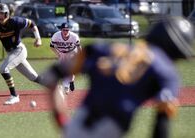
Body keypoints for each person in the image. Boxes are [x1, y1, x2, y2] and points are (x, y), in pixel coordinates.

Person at [40, 16, 195, 138]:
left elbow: (51, 75)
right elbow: (161, 124)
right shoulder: (166, 72)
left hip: (76, 127)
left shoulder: (105, 48)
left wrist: (62, 121)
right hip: (111, 129)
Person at [0, 3, 42, 105]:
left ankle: (14, 96)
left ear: (7, 14)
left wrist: (38, 38)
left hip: (19, 50)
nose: (0, 16)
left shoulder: (15, 21)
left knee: (3, 69)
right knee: (33, 77)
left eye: (2, 13)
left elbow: (32, 24)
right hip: (11, 53)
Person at [50, 22, 82, 94]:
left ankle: (67, 85)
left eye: (67, 30)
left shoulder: (74, 37)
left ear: (69, 30)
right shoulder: (56, 36)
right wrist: (58, 53)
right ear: (61, 30)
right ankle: (69, 83)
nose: (65, 32)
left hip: (72, 51)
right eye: (64, 30)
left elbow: (79, 47)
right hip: (61, 52)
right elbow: (51, 47)